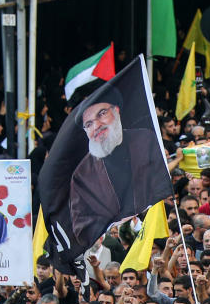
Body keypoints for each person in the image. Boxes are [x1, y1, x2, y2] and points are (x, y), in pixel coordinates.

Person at [68, 86, 173, 248]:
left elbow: (162, 186)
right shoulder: (82, 175)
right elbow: (81, 227)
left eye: (101, 114)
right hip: (112, 244)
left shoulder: (145, 141)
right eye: (89, 124)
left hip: (153, 235)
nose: (96, 126)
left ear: (116, 110)